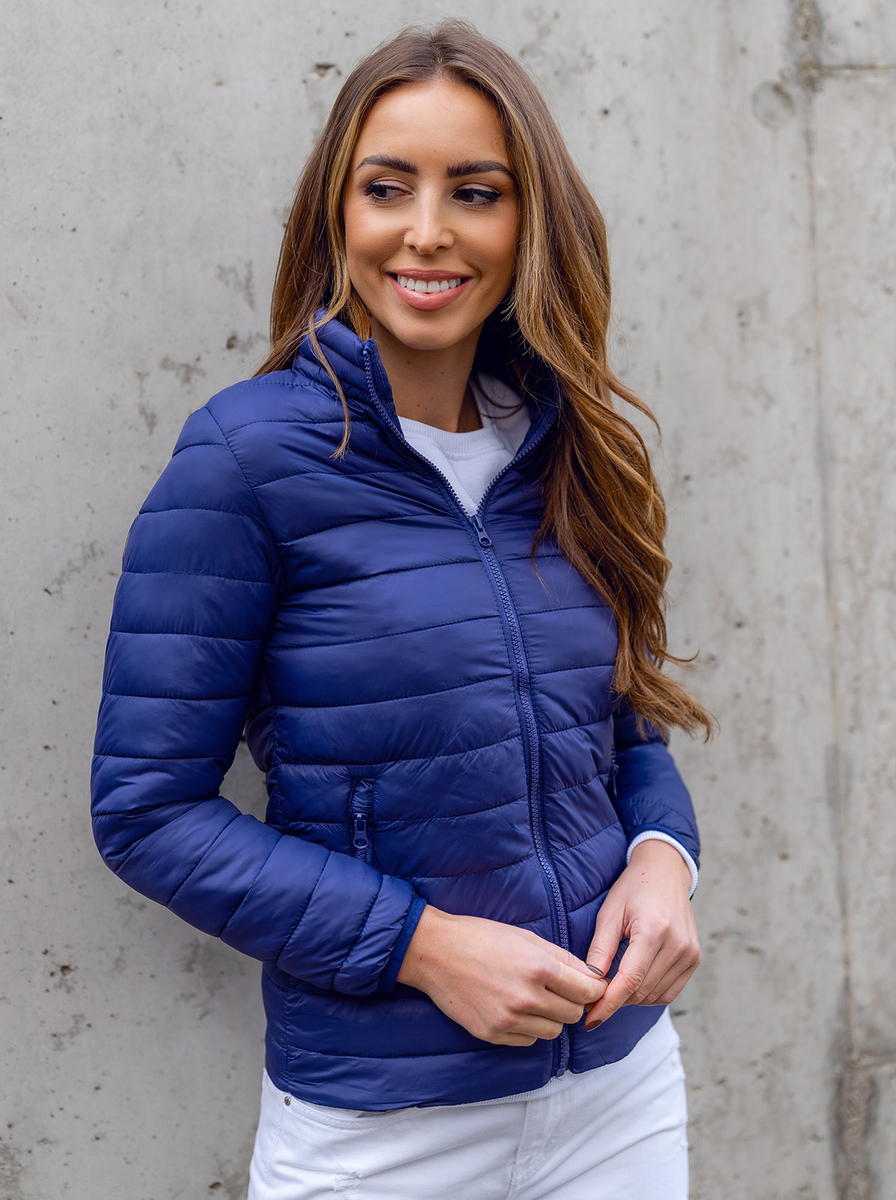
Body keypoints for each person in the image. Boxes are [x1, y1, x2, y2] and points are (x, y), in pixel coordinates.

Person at [91, 20, 712, 1200]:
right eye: (388, 188)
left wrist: (664, 858)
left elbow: (623, 729)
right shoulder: (243, 460)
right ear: (338, 213)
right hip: (385, 1130)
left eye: (475, 192)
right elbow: (147, 811)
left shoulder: (567, 448)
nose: (427, 231)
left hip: (621, 1094)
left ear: (528, 222)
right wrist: (422, 949)